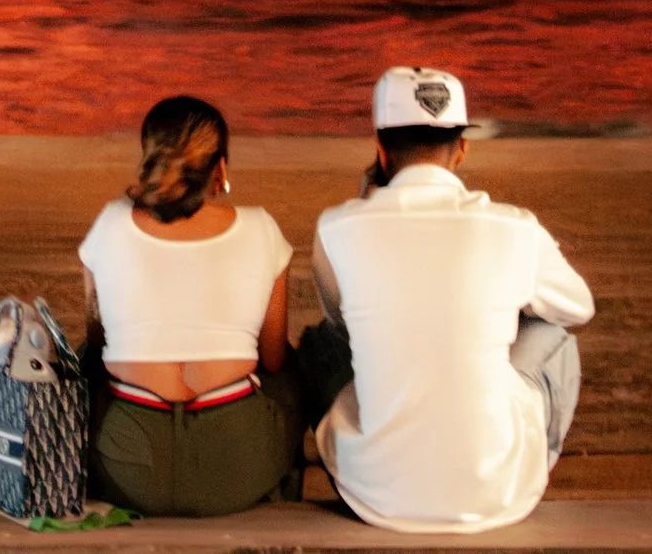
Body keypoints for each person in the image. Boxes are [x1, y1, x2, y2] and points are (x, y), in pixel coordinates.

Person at [305, 67, 591, 534]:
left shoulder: (336, 226)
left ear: (380, 149)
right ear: (462, 149)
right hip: (497, 495)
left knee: (323, 343)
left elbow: (339, 319)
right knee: (551, 333)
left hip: (369, 493)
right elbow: (578, 307)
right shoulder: (512, 226)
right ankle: (528, 461)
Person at [75, 96, 301, 517]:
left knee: (88, 359)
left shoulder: (109, 223)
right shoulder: (261, 228)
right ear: (220, 170)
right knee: (291, 372)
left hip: (129, 472)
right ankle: (284, 490)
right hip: (236, 469)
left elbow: (97, 339)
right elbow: (271, 358)